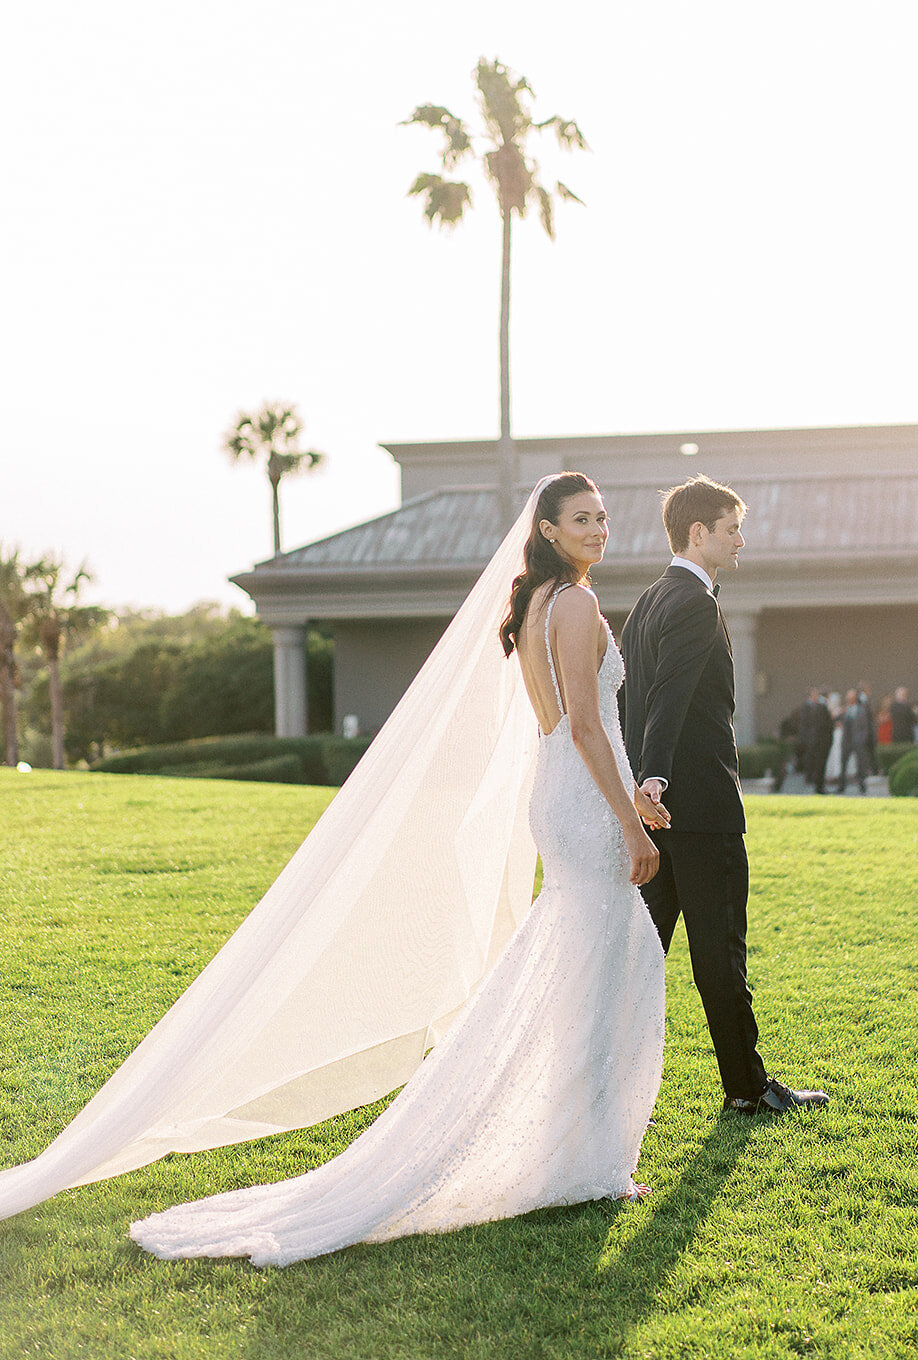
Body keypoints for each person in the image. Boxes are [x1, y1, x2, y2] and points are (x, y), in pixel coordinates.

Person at [2, 476, 670, 1262]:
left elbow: (575, 732)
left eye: (602, 517)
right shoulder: (578, 605)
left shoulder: (532, 605)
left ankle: (579, 1155)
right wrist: (630, 825)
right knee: (600, 975)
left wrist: (632, 794)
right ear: (550, 531)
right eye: (582, 519)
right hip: (586, 808)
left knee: (580, 970)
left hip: (564, 797)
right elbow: (588, 724)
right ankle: (586, 1163)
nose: (598, 529)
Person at [621, 474, 828, 1117]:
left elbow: (629, 702)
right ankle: (747, 1087)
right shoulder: (691, 602)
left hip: (657, 815)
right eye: (733, 528)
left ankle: (594, 1083)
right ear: (698, 533)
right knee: (719, 953)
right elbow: (666, 702)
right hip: (699, 809)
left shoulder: (648, 600)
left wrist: (639, 789)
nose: (743, 539)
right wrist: (654, 778)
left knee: (636, 957)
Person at [799, 686, 834, 793]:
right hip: (810, 742)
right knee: (811, 763)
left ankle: (819, 787)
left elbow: (829, 725)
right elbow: (803, 726)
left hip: (822, 742)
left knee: (820, 764)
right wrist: (805, 740)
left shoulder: (822, 708)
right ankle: (810, 782)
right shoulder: (805, 708)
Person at [837, 689, 873, 793]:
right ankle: (841, 786)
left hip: (858, 741)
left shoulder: (861, 710)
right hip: (846, 741)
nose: (849, 698)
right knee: (843, 764)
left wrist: (862, 739)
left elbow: (865, 726)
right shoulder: (844, 709)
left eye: (851, 696)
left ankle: (862, 786)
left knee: (860, 765)